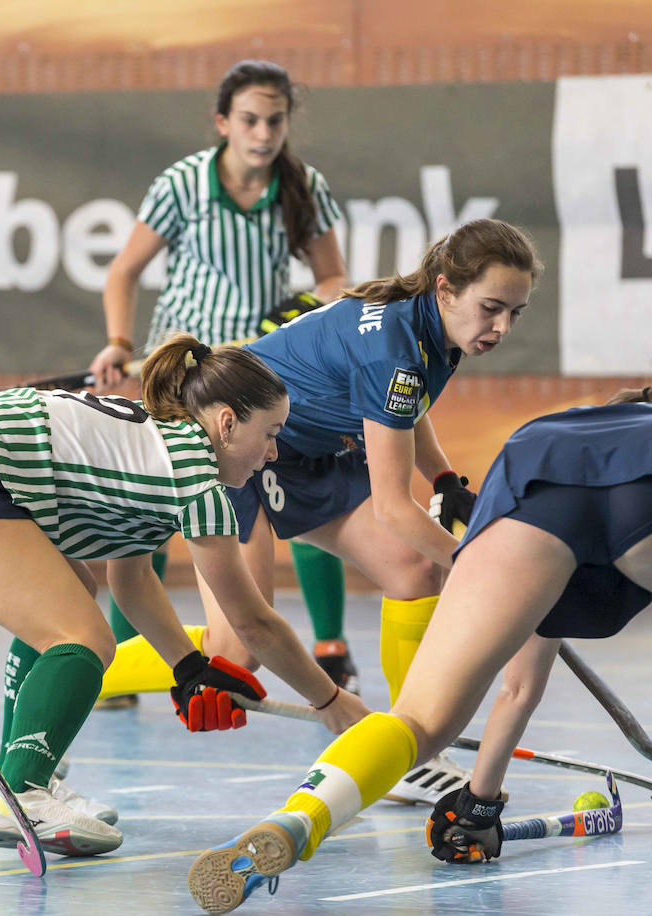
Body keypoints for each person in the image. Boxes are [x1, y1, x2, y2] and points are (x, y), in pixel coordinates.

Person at [188, 384, 652, 912]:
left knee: (420, 720)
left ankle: (301, 816)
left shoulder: (554, 435)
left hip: (533, 499)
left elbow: (517, 685)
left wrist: (477, 802)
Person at [0, 334, 370, 857]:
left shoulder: (159, 446)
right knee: (81, 634)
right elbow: (254, 625)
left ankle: (15, 779)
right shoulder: (196, 480)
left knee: (73, 598)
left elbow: (130, 580)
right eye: (270, 433)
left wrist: (188, 666)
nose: (274, 451)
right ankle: (19, 790)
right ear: (226, 423)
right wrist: (332, 702)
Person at [100, 217, 541, 803]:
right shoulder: (396, 346)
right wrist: (480, 569)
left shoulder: (434, 327)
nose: (502, 326)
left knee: (413, 571)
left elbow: (406, 404)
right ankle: (80, 665)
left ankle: (409, 747)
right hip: (239, 445)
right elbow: (391, 506)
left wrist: (439, 475)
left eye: (515, 312)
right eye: (492, 307)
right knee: (235, 655)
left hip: (307, 451)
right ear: (445, 288)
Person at [88, 59, 360, 699]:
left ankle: (328, 642)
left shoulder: (304, 187)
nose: (263, 133)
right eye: (249, 120)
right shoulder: (183, 183)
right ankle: (115, 657)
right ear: (222, 122)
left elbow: (334, 280)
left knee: (294, 487)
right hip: (184, 376)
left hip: (261, 372)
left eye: (275, 120)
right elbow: (124, 271)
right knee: (155, 506)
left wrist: (308, 309)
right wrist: (120, 343)